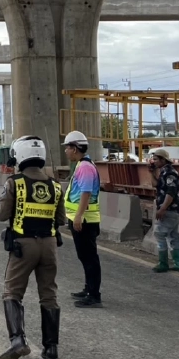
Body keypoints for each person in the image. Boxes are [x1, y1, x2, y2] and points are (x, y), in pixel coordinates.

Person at [0, 135, 65, 359]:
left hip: (23, 246)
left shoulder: (14, 183)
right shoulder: (55, 186)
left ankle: (18, 341)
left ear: (20, 156)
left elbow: (2, 215)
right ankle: (51, 348)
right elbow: (61, 219)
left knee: (12, 292)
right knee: (49, 294)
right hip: (49, 245)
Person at [63, 131, 103, 308]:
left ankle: (94, 295)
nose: (65, 151)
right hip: (82, 219)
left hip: (85, 220)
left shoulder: (85, 167)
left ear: (75, 148)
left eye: (67, 148)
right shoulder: (81, 165)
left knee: (89, 258)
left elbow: (86, 192)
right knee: (85, 257)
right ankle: (89, 289)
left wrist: (78, 216)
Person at [149, 148, 179, 273]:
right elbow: (155, 185)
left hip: (170, 209)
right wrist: (152, 173)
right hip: (170, 210)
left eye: (156, 159)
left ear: (163, 160)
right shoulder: (163, 172)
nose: (154, 162)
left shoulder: (170, 173)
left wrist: (163, 208)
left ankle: (163, 263)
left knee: (159, 233)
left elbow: (171, 192)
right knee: (173, 235)